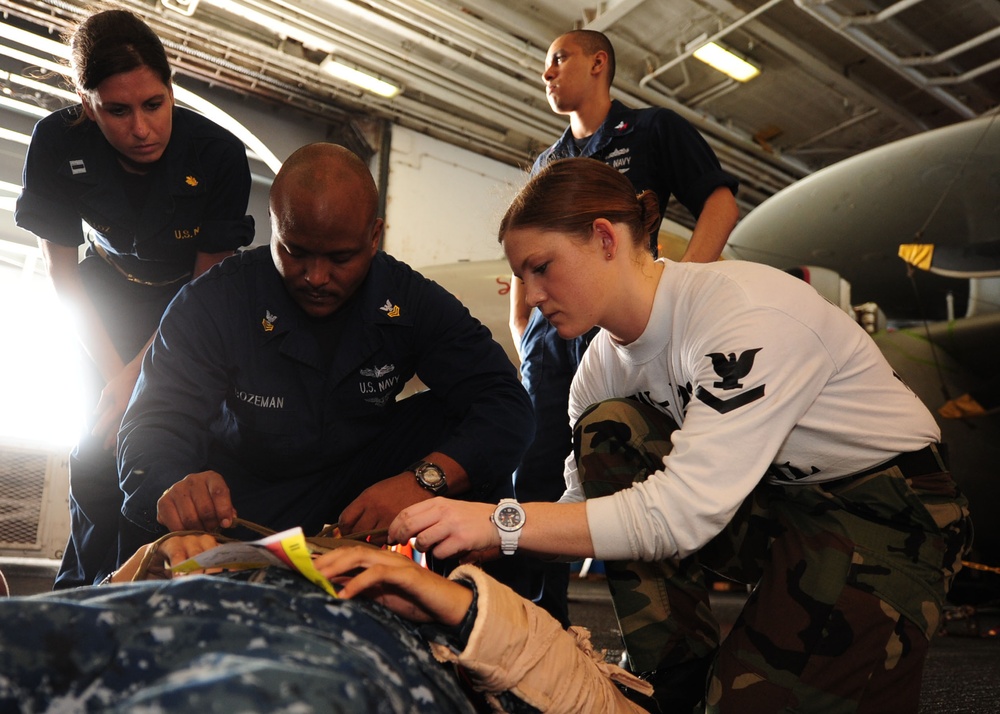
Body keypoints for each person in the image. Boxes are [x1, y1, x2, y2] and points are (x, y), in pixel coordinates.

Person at [389, 158, 973, 713]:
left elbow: (681, 512)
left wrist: (502, 520)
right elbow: (582, 506)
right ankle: (674, 673)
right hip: (771, 508)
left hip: (889, 517)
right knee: (610, 429)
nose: (533, 298)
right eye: (521, 277)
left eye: (541, 268)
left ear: (606, 239)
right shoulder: (598, 369)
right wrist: (487, 552)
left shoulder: (741, 315)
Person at [116, 142, 534, 589]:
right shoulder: (216, 301)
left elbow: (507, 404)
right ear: (274, 228)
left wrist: (423, 481)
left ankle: (474, 622)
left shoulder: (408, 301)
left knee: (462, 424)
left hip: (357, 499)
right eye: (294, 251)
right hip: (239, 504)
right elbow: (152, 423)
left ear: (374, 236)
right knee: (130, 496)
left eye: (339, 258)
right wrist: (174, 485)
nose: (315, 277)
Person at [14, 8, 255, 589]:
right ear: (86, 102)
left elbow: (203, 287)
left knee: (166, 448)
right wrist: (112, 377)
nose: (141, 128)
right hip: (101, 305)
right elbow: (63, 274)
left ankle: (153, 586)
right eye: (117, 111)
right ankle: (81, 594)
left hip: (190, 311)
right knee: (95, 451)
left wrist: (137, 380)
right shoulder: (55, 141)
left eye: (154, 104)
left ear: (171, 90)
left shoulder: (218, 155)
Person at [510, 29, 739, 628]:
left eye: (558, 59)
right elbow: (526, 264)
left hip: (618, 327)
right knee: (535, 468)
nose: (548, 73)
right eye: (545, 65)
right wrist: (525, 334)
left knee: (628, 459)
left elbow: (717, 201)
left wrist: (686, 286)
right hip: (551, 343)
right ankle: (541, 622)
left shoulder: (653, 131)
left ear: (598, 62)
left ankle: (667, 631)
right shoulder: (547, 163)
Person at [0, 535, 651, 713]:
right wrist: (166, 553)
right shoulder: (268, 557)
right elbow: (100, 599)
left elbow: (597, 705)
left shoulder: (438, 612)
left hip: (340, 666)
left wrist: (443, 599)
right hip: (151, 617)